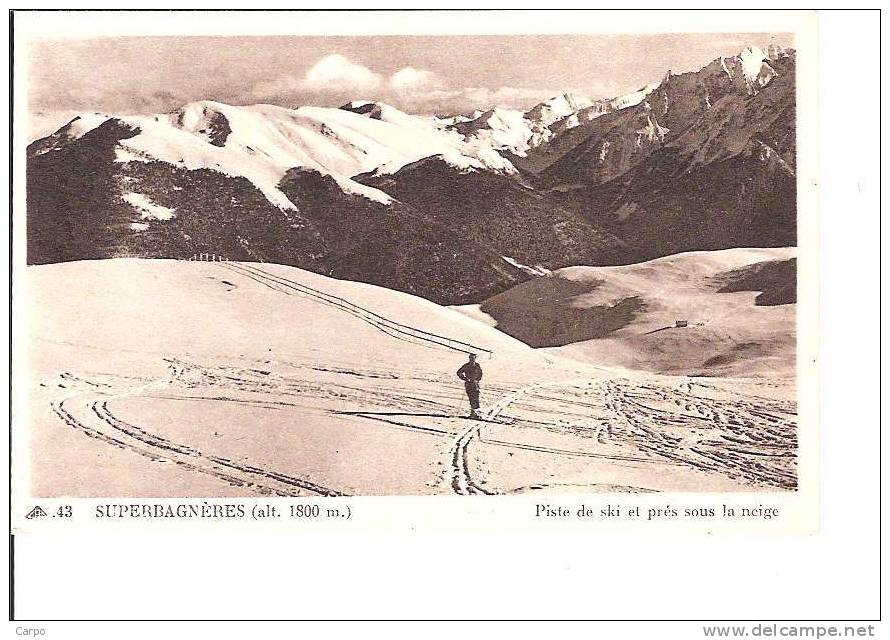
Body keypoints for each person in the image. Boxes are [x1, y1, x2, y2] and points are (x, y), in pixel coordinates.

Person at [456, 353, 483, 419]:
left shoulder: (477, 365)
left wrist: (477, 380)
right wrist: (465, 379)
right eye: (471, 358)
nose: (472, 360)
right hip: (469, 384)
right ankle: (473, 413)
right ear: (469, 358)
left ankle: (475, 412)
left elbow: (480, 373)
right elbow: (459, 372)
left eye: (473, 358)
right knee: (471, 398)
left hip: (475, 384)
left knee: (476, 397)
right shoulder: (466, 366)